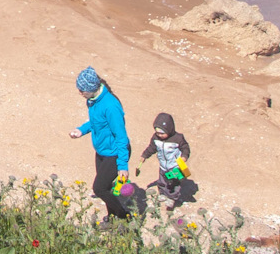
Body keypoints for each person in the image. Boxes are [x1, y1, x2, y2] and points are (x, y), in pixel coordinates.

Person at [68, 66, 136, 223]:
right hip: (102, 152)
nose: (80, 93)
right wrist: (81, 130)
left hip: (114, 153)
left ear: (92, 88)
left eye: (82, 90)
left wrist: (123, 165)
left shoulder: (111, 106)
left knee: (99, 188)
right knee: (105, 189)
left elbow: (121, 137)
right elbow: (96, 123)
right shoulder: (92, 101)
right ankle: (112, 217)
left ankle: (125, 217)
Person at [140, 112, 194, 206]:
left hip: (174, 165)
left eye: (162, 133)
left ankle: (172, 197)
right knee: (162, 180)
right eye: (157, 132)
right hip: (163, 165)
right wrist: (144, 156)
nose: (159, 135)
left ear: (169, 129)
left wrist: (184, 156)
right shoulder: (156, 138)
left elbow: (185, 147)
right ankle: (163, 194)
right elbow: (152, 148)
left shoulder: (177, 138)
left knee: (173, 182)